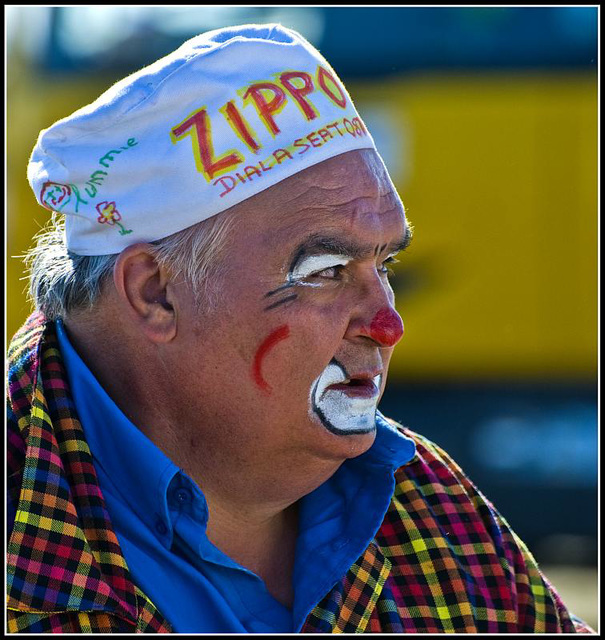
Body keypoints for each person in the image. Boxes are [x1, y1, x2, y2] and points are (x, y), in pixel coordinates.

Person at [6, 24, 594, 634]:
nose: (389, 324)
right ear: (154, 292)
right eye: (328, 271)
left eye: (385, 265)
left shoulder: (430, 507)